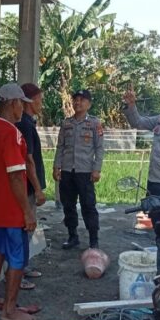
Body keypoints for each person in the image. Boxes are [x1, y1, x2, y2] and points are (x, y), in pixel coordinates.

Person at [0, 83, 39, 320]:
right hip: (13, 211)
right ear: (13, 103)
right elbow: (15, 176)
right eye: (21, 103)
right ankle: (10, 310)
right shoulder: (12, 133)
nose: (23, 108)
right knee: (17, 258)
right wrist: (26, 212)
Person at [53, 90, 105, 250]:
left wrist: (97, 169)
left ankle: (93, 240)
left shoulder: (95, 124)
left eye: (82, 100)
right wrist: (56, 166)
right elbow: (60, 146)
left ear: (89, 104)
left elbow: (99, 148)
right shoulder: (66, 123)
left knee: (88, 205)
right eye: (75, 100)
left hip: (85, 171)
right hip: (68, 171)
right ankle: (72, 236)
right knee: (68, 205)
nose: (78, 103)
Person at [15, 83, 46, 290]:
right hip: (26, 187)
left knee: (26, 229)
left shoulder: (28, 123)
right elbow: (28, 160)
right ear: (28, 101)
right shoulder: (25, 125)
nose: (41, 104)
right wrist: (37, 188)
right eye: (39, 100)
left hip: (27, 186)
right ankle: (18, 274)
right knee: (24, 227)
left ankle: (23, 268)